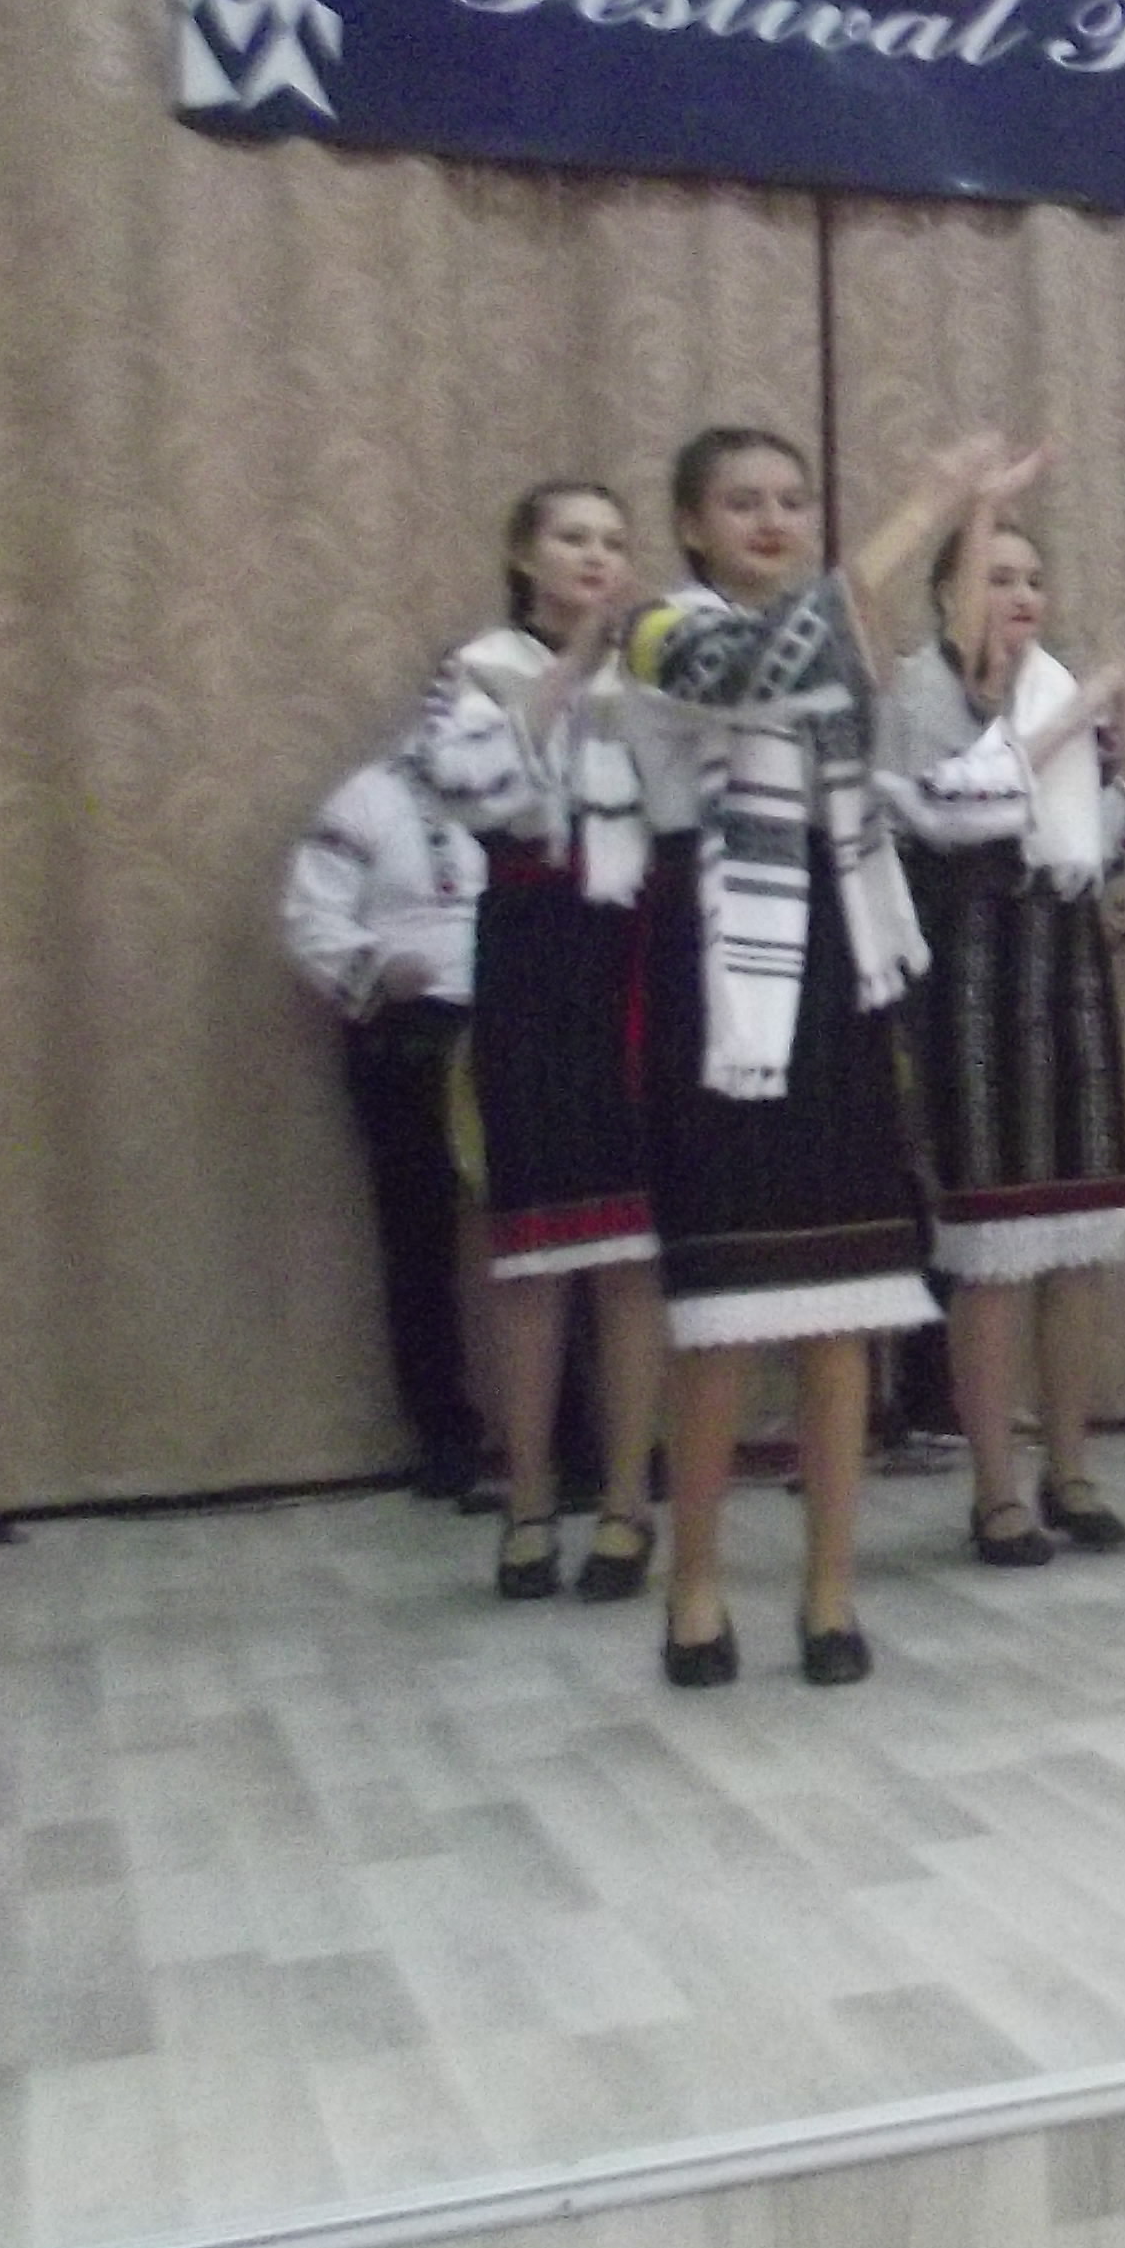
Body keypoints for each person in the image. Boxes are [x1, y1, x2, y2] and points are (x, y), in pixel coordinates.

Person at [626, 422, 997, 1690]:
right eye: (743, 503)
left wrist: (967, 523)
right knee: (725, 1317)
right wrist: (919, 508)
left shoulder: (835, 635)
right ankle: (695, 1590)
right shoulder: (658, 630)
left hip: (838, 965)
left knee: (846, 1308)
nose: (773, 521)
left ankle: (830, 1591)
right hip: (726, 973)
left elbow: (910, 742)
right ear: (691, 524)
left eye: (791, 500)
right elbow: (758, 666)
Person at [875, 463, 1125, 1570]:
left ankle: (1070, 1467)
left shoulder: (1057, 684)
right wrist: (1069, 721)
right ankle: (994, 1486)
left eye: (1033, 577)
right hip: (972, 965)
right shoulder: (918, 689)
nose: (1022, 595)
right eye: (996, 576)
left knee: (1078, 1235)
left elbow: (1124, 840)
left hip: (1065, 962)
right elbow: (946, 808)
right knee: (992, 1246)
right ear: (949, 594)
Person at [415, 479, 672, 1603]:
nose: (596, 558)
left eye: (613, 541)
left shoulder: (654, 670)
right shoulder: (479, 668)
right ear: (524, 555)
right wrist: (572, 665)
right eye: (572, 538)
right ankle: (526, 1500)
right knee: (530, 1252)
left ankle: (626, 1503)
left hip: (635, 952)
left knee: (632, 1251)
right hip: (530, 949)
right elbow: (467, 787)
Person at [279, 730, 490, 1503]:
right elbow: (310, 915)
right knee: (418, 1239)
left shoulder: (520, 796)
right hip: (408, 1031)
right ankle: (443, 1436)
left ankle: (574, 1439)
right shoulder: (368, 799)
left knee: (546, 1236)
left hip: (511, 1025)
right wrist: (376, 972)